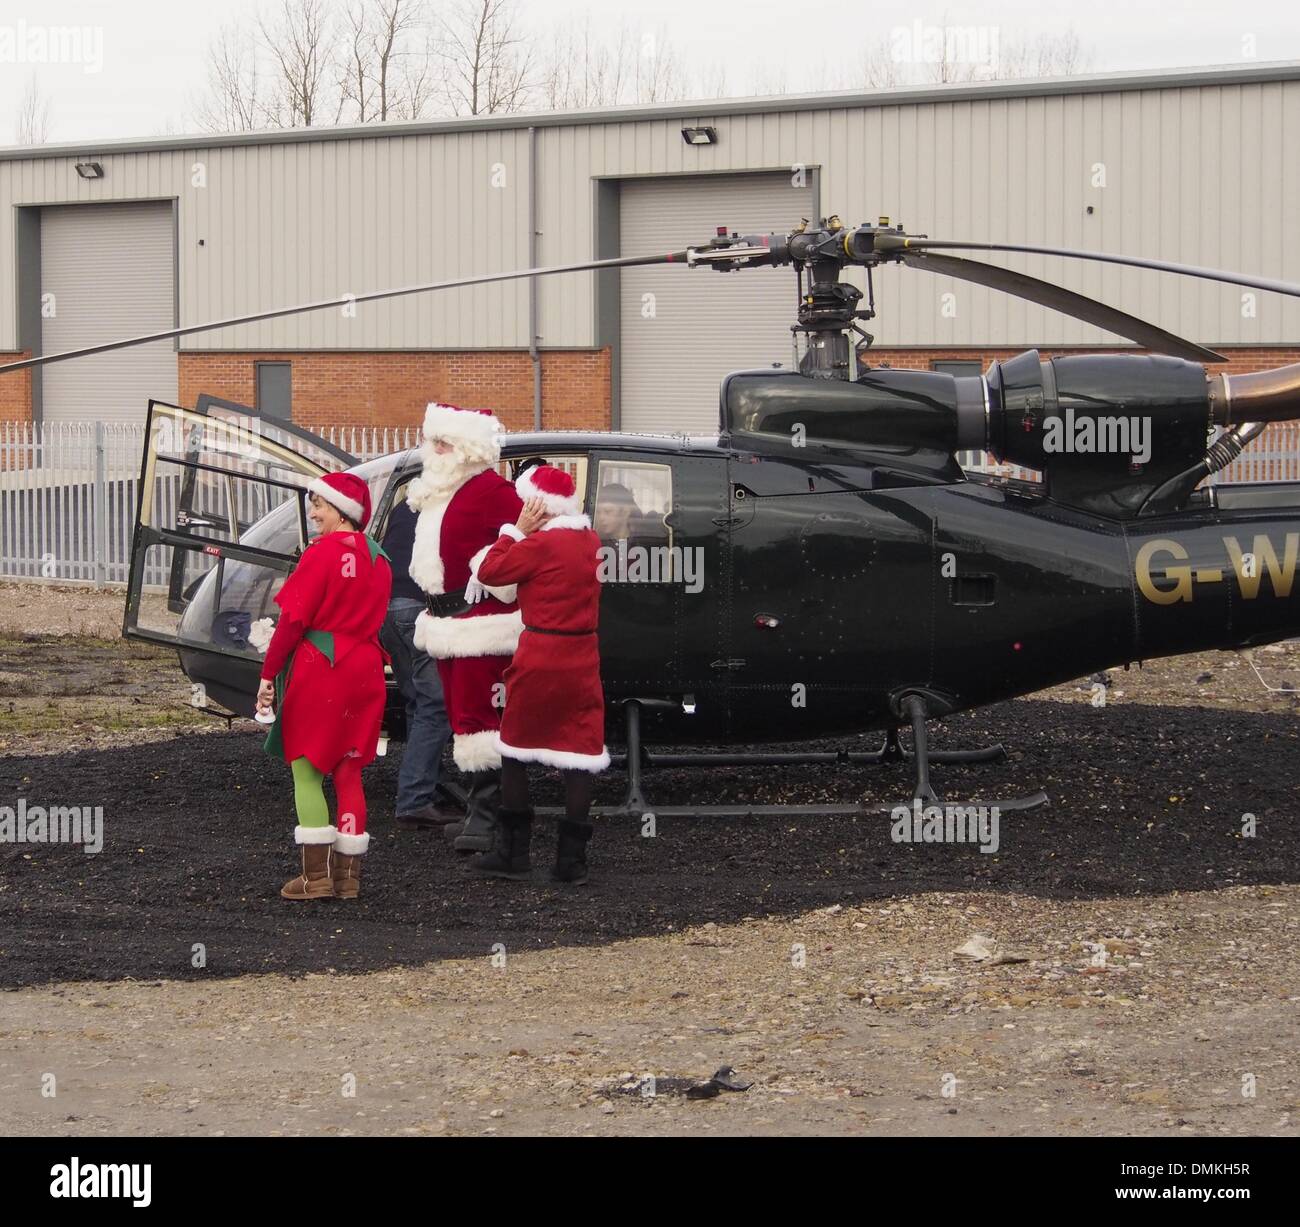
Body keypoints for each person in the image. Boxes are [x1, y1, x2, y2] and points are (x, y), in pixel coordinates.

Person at [256, 471, 393, 901]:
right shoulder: (381, 558)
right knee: (350, 771)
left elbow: (292, 623)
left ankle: (315, 879)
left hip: (322, 667)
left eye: (319, 505)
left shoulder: (320, 555)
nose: (313, 513)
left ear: (341, 510)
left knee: (307, 768)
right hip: (367, 668)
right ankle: (348, 878)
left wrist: (267, 675)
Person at [472, 464, 609, 883]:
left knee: (516, 748)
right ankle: (572, 862)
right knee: (579, 752)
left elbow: (490, 572)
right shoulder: (590, 540)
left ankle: (513, 854)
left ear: (537, 505)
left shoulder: (540, 544)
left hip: (541, 654)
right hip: (583, 653)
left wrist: (514, 529)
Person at [406, 403, 524, 854]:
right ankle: (481, 814)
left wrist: (489, 566)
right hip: (444, 620)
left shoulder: (493, 490)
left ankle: (491, 821)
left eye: (445, 443)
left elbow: (528, 543)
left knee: (481, 722)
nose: (434, 451)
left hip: (480, 623)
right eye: (432, 441)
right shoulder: (442, 491)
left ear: (469, 449)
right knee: (461, 719)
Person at [379, 491, 455, 828]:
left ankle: (430, 782)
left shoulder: (406, 504)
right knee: (435, 705)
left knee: (416, 701)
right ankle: (415, 799)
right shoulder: (446, 507)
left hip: (388, 611)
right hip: (417, 606)